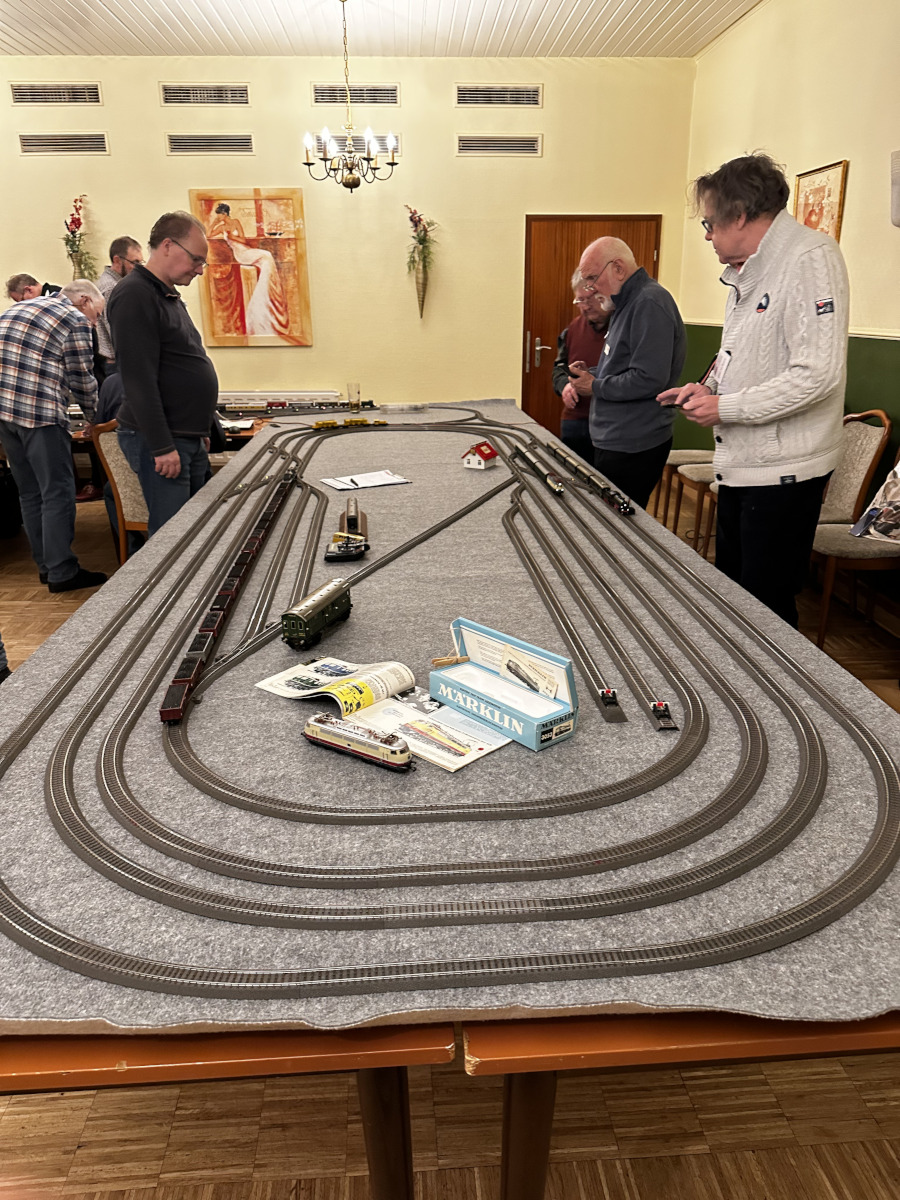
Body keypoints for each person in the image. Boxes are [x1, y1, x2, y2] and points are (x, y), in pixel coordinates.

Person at [658, 152, 849, 627]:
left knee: (766, 610)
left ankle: (775, 679)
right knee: (736, 598)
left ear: (739, 214)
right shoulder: (748, 271)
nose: (707, 236)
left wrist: (725, 407)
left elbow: (817, 375)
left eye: (709, 223)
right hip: (742, 466)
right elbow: (738, 353)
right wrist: (705, 387)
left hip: (783, 474)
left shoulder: (810, 258)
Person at [107, 211, 219, 536]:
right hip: (162, 440)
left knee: (199, 529)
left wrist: (200, 427)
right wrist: (161, 446)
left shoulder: (165, 294)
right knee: (173, 537)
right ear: (168, 245)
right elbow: (137, 379)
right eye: (196, 259)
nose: (200, 269)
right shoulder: (135, 294)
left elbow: (182, 361)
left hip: (185, 435)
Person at [0, 280, 107, 592]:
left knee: (29, 493)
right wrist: (95, 419)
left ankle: (46, 567)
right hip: (40, 416)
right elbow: (81, 378)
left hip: (4, 414)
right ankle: (62, 572)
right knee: (57, 492)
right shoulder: (74, 319)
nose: (95, 323)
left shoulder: (17, 308)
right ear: (85, 300)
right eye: (97, 315)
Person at [567, 237, 686, 508]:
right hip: (617, 440)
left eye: (592, 278)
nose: (590, 288)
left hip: (633, 444)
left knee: (618, 524)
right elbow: (622, 367)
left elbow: (649, 379)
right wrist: (592, 374)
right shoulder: (623, 303)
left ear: (618, 268)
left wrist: (594, 386)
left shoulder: (649, 302)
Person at [206, 202, 289, 338]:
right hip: (240, 255)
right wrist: (215, 223)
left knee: (266, 257)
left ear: (224, 214)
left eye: (219, 215)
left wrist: (232, 237)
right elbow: (208, 235)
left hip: (246, 250)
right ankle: (267, 290)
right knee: (266, 255)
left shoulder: (235, 222)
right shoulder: (221, 227)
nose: (218, 217)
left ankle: (268, 289)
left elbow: (243, 240)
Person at [552, 274, 609, 463]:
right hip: (575, 421)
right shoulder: (572, 329)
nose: (585, 306)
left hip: (611, 425)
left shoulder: (623, 328)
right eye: (580, 300)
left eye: (590, 299)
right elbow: (559, 369)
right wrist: (565, 386)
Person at [95, 236, 144, 370]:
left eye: (141, 263)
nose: (138, 268)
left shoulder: (115, 284)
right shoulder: (112, 288)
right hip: (118, 363)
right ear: (117, 260)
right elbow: (117, 332)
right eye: (134, 262)